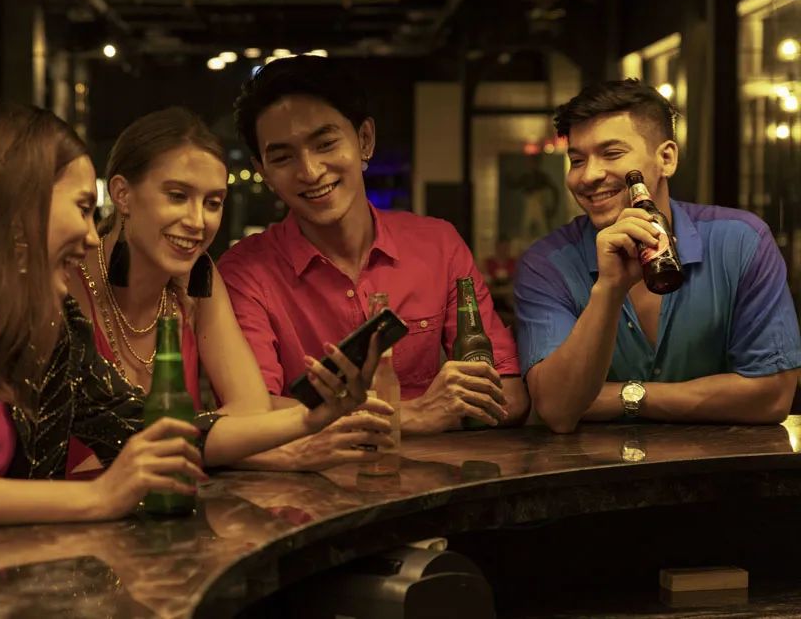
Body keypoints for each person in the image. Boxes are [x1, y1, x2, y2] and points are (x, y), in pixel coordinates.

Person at [0, 102, 389, 548]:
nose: (93, 236)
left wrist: (307, 419)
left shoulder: (51, 331)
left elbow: (142, 428)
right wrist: (96, 496)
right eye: (80, 208)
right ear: (13, 208)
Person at [218, 55, 529, 472]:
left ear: (364, 140)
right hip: (308, 492)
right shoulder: (244, 272)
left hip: (431, 486)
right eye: (283, 158)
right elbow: (253, 414)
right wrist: (412, 415)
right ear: (264, 172)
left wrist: (446, 408)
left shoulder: (438, 245)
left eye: (325, 144)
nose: (310, 171)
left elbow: (509, 394)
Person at [66, 106, 393, 473]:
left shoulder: (197, 277)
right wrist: (283, 452)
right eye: (177, 196)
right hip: (73, 504)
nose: (197, 221)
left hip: (176, 499)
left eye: (212, 203)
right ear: (122, 194)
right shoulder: (65, 281)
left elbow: (250, 408)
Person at [514, 79, 801, 434]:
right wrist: (609, 289)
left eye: (612, 153)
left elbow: (773, 396)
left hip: (722, 465)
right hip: (593, 466)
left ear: (666, 158)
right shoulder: (547, 264)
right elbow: (556, 410)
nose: (589, 175)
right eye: (577, 160)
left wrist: (629, 396)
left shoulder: (740, 242)